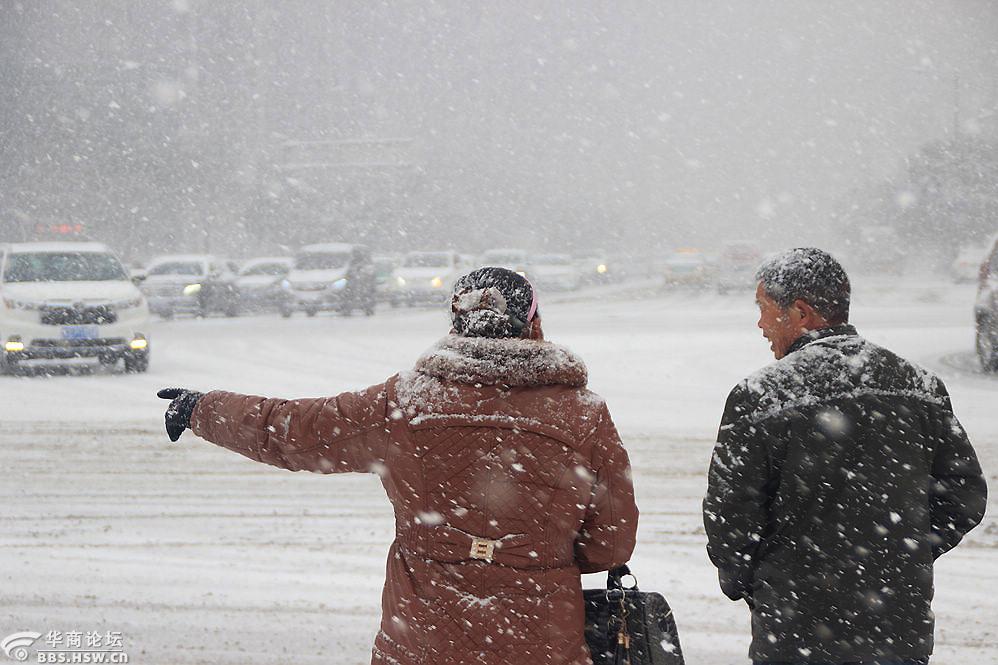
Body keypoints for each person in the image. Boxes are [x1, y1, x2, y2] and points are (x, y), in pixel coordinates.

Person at [158, 267, 638, 665]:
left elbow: (294, 431)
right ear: (532, 323)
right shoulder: (583, 415)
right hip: (540, 641)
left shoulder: (408, 403)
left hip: (423, 637)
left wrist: (204, 408)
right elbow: (609, 546)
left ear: (456, 320)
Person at [703, 247, 987, 665]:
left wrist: (761, 581)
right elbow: (963, 498)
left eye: (764, 309)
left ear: (800, 312)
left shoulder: (760, 397)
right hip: (896, 623)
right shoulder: (919, 386)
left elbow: (730, 520)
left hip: (795, 625)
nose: (761, 324)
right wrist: (903, 557)